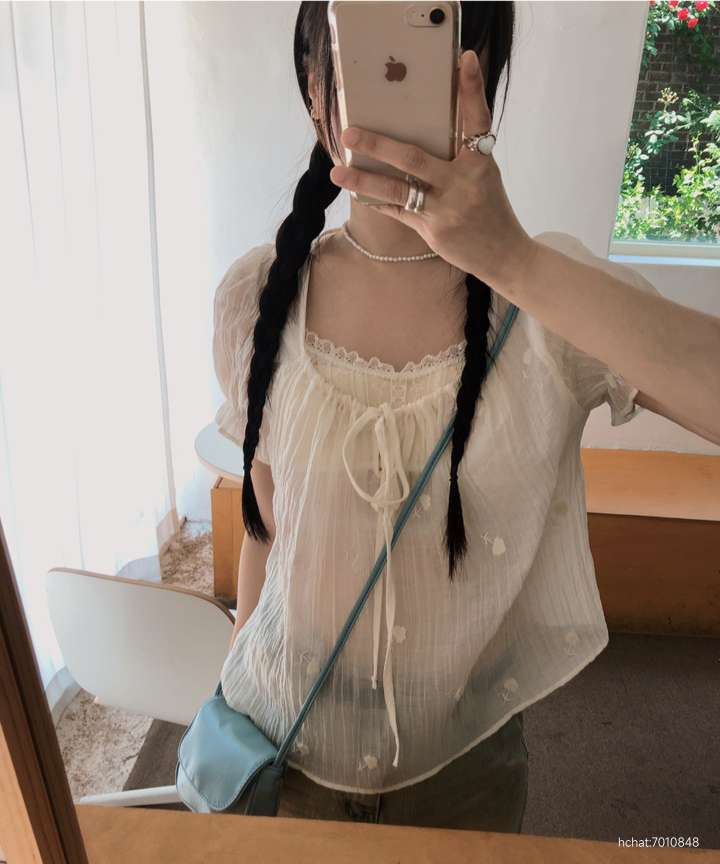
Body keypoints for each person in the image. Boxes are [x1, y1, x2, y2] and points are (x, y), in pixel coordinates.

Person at [212, 1, 720, 832]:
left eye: (435, 50)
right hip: (277, 739)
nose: (399, 85)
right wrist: (234, 675)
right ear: (315, 86)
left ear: (483, 80)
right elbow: (268, 526)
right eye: (369, 55)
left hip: (462, 766)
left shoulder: (554, 303)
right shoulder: (257, 296)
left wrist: (511, 259)